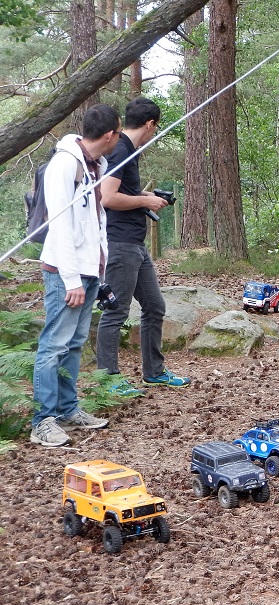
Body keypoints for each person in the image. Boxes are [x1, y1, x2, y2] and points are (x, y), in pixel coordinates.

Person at [29, 105, 123, 447]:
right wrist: (71, 280)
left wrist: (97, 272)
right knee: (53, 344)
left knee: (74, 343)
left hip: (89, 270)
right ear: (109, 134)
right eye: (118, 132)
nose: (119, 138)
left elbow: (95, 222)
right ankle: (43, 420)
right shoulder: (64, 164)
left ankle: (68, 409)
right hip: (64, 272)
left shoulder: (97, 165)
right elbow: (60, 225)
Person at [96, 97, 190, 395]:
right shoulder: (120, 149)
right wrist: (144, 201)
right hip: (120, 242)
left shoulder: (129, 150)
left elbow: (121, 191)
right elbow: (107, 197)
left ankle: (154, 372)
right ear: (150, 124)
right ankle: (108, 380)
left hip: (135, 243)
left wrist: (145, 196)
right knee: (116, 311)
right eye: (156, 127)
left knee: (154, 306)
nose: (154, 132)